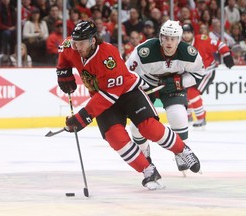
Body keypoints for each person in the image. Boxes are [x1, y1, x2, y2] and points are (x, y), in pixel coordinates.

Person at [56, 20, 201, 190]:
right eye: (75, 42)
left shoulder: (108, 55)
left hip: (127, 92)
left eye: (82, 43)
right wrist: (63, 72)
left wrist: (83, 117)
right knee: (115, 137)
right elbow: (63, 53)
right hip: (101, 97)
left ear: (93, 40)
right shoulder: (70, 45)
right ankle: (148, 170)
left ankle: (182, 150)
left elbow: (110, 94)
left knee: (148, 128)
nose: (77, 47)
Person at [125, 20, 205, 173]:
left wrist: (180, 81)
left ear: (179, 39)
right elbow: (127, 72)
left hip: (173, 85)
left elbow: (199, 73)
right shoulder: (144, 51)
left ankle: (181, 152)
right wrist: (139, 84)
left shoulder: (189, 53)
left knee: (179, 115)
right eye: (166, 38)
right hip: (146, 83)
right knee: (136, 125)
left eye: (173, 38)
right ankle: (144, 152)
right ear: (160, 37)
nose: (169, 42)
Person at [182, 23, 234, 126]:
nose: (186, 35)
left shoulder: (202, 39)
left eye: (188, 32)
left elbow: (219, 44)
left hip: (207, 72)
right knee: (185, 91)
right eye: (184, 33)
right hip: (193, 73)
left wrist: (227, 54)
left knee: (192, 92)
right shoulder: (179, 45)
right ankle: (188, 116)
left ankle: (201, 119)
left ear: (192, 33)